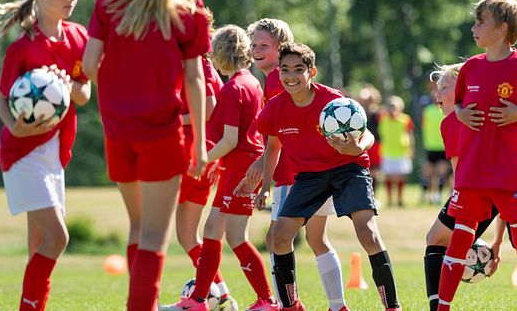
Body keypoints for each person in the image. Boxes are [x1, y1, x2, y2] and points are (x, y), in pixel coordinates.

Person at [81, 0, 209, 311]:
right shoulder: (188, 4)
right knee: (155, 236)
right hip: (162, 134)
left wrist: (117, 95)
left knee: (138, 228)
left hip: (118, 132)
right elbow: (196, 81)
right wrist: (201, 146)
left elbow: (88, 67)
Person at [242, 42, 401, 311]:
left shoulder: (333, 100)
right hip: (308, 177)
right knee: (279, 236)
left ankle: (392, 307)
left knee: (367, 232)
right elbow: (272, 148)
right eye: (285, 70)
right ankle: (291, 306)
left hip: (348, 169)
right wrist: (265, 186)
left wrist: (357, 147)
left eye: (298, 70)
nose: (291, 76)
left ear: (312, 71)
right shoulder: (274, 109)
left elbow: (368, 135)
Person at [436, 0, 517, 310]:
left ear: (502, 28)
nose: (474, 28)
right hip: (472, 176)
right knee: (457, 246)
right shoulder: (470, 68)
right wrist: (463, 113)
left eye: (481, 21)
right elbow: (463, 105)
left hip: (511, 177)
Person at [0, 0, 91, 311]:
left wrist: (68, 87)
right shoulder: (23, 47)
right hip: (21, 153)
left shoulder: (79, 37)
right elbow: (3, 100)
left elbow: (84, 93)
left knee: (38, 244)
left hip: (56, 153)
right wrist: (14, 126)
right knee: (57, 238)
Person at [163, 25, 276, 311]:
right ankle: (198, 300)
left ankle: (266, 300)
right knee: (213, 231)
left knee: (236, 236)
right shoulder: (250, 81)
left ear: (222, 54)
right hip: (239, 165)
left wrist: (203, 160)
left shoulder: (234, 88)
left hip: (241, 167)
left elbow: (229, 140)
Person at [423, 63, 517, 311]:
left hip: (512, 183)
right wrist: (495, 241)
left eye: (444, 87)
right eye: (437, 89)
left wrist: (497, 241)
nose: (437, 94)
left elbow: (464, 179)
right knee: (439, 239)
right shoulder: (452, 122)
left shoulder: (459, 120)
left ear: (462, 90)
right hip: (494, 185)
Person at [242, 18, 348, 311]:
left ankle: (286, 304)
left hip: (295, 173)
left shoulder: (278, 80)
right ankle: (336, 305)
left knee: (276, 238)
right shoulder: (273, 80)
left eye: (263, 45)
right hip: (307, 171)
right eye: (253, 45)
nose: (256, 50)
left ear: (281, 48)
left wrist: (262, 171)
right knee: (317, 239)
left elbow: (284, 135)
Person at [172, 11, 239, 310]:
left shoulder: (198, 62)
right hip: (201, 154)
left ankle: (206, 295)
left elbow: (209, 107)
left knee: (163, 230)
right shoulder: (192, 60)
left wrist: (170, 121)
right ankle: (222, 294)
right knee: (187, 235)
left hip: (195, 154)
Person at [378, 95, 414, 207]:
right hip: (387, 151)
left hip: (402, 151)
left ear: (400, 108)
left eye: (394, 107)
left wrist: (411, 149)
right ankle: (389, 200)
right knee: (388, 177)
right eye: (390, 106)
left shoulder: (405, 119)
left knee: (401, 176)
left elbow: (410, 134)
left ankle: (399, 199)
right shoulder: (382, 118)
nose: (392, 109)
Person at [421, 84, 450, 204]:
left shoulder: (445, 111)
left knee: (440, 173)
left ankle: (437, 195)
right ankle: (427, 196)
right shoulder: (427, 110)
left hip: (443, 146)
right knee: (429, 173)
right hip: (430, 146)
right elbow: (424, 125)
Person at [358, 85, 383, 198]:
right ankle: (364, 195)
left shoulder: (378, 113)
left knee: (374, 172)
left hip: (376, 144)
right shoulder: (357, 111)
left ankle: (373, 196)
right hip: (362, 144)